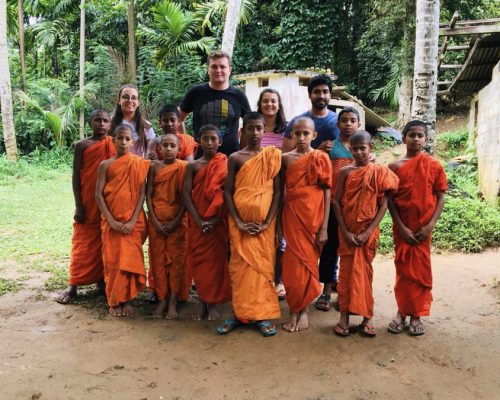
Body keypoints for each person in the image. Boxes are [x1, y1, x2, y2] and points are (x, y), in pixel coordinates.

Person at [219, 112, 281, 337]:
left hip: (265, 226)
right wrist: (238, 221)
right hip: (240, 225)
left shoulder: (273, 156)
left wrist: (267, 223)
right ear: (242, 131)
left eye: (258, 128)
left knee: (262, 270)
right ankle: (240, 313)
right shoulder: (235, 158)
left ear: (264, 130)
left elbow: (277, 193)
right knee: (240, 268)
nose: (254, 133)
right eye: (250, 129)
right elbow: (227, 191)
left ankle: (262, 316)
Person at [332, 130, 399, 337]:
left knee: (365, 274)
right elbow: (336, 201)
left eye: (363, 148)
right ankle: (343, 317)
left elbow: (384, 203)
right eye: (355, 149)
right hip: (347, 232)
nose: (359, 152)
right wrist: (345, 230)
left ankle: (367, 318)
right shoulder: (344, 172)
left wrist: (368, 231)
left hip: (368, 233)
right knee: (345, 275)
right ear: (350, 150)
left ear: (371, 149)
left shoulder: (379, 171)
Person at [387, 120, 447, 336]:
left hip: (423, 229)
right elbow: (390, 200)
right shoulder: (394, 167)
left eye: (420, 135)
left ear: (426, 139)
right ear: (403, 138)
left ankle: (416, 315)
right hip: (403, 228)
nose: (415, 139)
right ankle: (401, 312)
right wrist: (400, 227)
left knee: (420, 272)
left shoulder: (434, 165)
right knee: (403, 270)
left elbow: (440, 196)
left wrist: (429, 225)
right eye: (411, 135)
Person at [56, 110, 116, 304]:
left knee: (104, 240)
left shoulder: (115, 143)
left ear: (110, 124)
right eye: (97, 120)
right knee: (83, 242)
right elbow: (76, 176)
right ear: (90, 122)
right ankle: (73, 285)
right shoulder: (82, 145)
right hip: (88, 200)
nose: (101, 124)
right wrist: (78, 206)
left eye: (105, 121)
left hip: (109, 201)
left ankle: (101, 280)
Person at [281, 117, 332, 332]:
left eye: (306, 133)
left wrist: (323, 227)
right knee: (293, 263)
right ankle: (295, 308)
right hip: (292, 215)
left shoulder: (321, 157)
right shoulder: (285, 159)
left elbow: (327, 191)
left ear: (314, 135)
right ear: (291, 134)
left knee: (309, 262)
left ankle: (304, 310)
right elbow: (278, 192)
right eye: (297, 133)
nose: (301, 138)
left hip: (314, 217)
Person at [95, 124, 151, 317]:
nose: (124, 142)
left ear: (133, 141)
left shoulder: (138, 163)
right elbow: (99, 194)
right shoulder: (106, 165)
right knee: (113, 260)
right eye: (120, 138)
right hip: (112, 221)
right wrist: (110, 220)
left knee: (129, 259)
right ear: (113, 140)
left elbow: (142, 192)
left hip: (132, 221)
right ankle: (114, 300)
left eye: (128, 139)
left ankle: (126, 299)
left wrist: (133, 220)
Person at [242, 88, 288, 299]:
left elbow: (287, 162)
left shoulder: (286, 132)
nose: (269, 104)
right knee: (250, 239)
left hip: (276, 189)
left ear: (279, 105)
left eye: (273, 101)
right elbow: (244, 160)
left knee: (278, 237)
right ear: (259, 104)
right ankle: (251, 281)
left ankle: (276, 280)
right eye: (265, 101)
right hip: (250, 192)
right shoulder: (249, 130)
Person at [183, 125, 232, 321]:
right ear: (199, 141)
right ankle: (202, 301)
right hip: (197, 222)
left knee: (216, 262)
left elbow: (227, 195)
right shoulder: (193, 166)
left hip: (217, 222)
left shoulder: (225, 164)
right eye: (205, 139)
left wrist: (214, 219)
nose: (209, 143)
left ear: (220, 142)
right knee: (200, 262)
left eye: (213, 139)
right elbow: (186, 194)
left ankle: (213, 303)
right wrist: (197, 219)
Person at [316, 107, 361, 311]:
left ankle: (346, 291)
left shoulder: (363, 148)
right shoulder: (330, 147)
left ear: (359, 124)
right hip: (333, 203)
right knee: (330, 248)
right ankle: (326, 290)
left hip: (356, 207)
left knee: (351, 249)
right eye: (344, 120)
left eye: (353, 120)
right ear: (337, 124)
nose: (348, 124)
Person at [146, 133, 188, 320]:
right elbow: (148, 195)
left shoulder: (184, 167)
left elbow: (186, 198)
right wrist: (154, 220)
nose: (169, 149)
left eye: (173, 146)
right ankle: (161, 298)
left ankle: (172, 300)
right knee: (158, 262)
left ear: (179, 149)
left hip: (177, 222)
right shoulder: (154, 167)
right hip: (156, 221)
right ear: (159, 148)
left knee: (176, 263)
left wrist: (176, 221)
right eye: (165, 145)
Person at [179, 50, 251, 156]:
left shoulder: (239, 96)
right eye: (214, 67)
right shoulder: (196, 92)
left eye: (222, 66)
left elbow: (250, 125)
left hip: (229, 159)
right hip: (199, 158)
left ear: (229, 70)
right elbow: (178, 118)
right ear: (208, 70)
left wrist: (243, 152)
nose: (218, 70)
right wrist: (185, 146)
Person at [282, 74, 340, 153]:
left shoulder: (340, 121)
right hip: (304, 165)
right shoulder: (296, 122)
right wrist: (317, 153)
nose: (321, 96)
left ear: (330, 95)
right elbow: (286, 157)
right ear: (309, 95)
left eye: (325, 92)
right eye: (317, 92)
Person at [111, 84, 155, 158]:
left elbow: (151, 150)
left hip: (138, 167)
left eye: (134, 98)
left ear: (138, 102)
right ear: (119, 101)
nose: (130, 100)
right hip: (114, 166)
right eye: (125, 97)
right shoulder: (109, 123)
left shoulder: (146, 126)